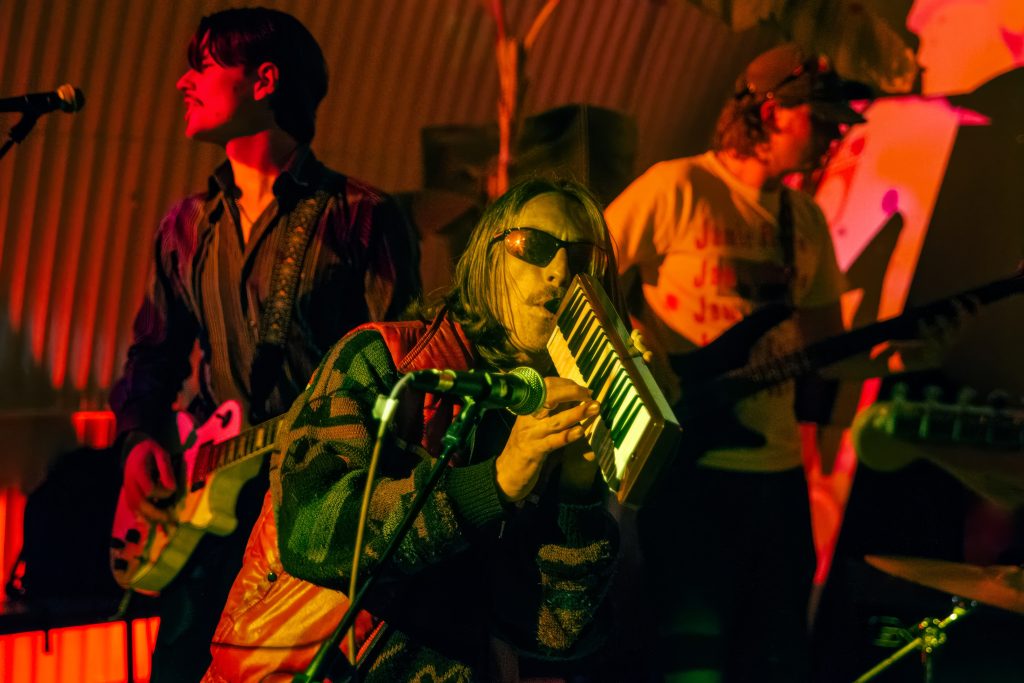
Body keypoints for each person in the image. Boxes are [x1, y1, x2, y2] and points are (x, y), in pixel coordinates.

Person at [202, 178, 621, 682]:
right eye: (534, 245)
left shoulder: (552, 421)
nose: (560, 271)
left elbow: (555, 632)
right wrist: (495, 483)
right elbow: (312, 531)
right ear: (488, 257)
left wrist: (578, 488)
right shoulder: (384, 360)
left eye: (583, 259)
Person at [109, 8, 419, 681]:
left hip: (317, 512)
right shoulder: (186, 225)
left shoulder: (361, 215)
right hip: (208, 517)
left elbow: (405, 371)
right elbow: (153, 357)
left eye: (202, 66)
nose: (182, 82)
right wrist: (138, 441)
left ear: (264, 80)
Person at [604, 43, 868, 682]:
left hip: (777, 476)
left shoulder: (804, 219)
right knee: (689, 660)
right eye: (820, 119)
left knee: (775, 658)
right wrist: (639, 354)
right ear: (772, 112)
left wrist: (907, 356)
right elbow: (584, 277)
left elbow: (830, 352)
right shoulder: (677, 186)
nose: (832, 135)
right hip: (689, 472)